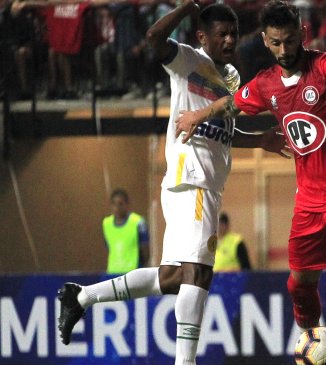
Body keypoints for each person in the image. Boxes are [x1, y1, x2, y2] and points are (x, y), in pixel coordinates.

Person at [56, 3, 288, 365]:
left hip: (203, 183)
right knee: (199, 272)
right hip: (191, 179)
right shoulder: (187, 59)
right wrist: (188, 7)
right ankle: (185, 362)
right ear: (202, 36)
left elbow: (220, 133)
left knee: (172, 277)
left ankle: (81, 297)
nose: (229, 39)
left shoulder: (230, 77)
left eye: (233, 33)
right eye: (220, 33)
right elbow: (153, 37)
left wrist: (259, 140)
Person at [175, 0, 326, 333]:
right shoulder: (267, 84)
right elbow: (234, 103)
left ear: (302, 33)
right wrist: (198, 115)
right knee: (298, 286)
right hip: (309, 203)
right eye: (275, 42)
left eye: (289, 40)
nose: (284, 49)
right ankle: (311, 345)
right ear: (265, 41)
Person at [103, 188, 150, 274]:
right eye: (114, 204)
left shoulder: (138, 222)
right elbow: (109, 248)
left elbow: (145, 251)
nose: (117, 208)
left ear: (127, 205)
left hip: (131, 273)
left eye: (120, 204)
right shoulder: (106, 223)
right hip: (112, 272)